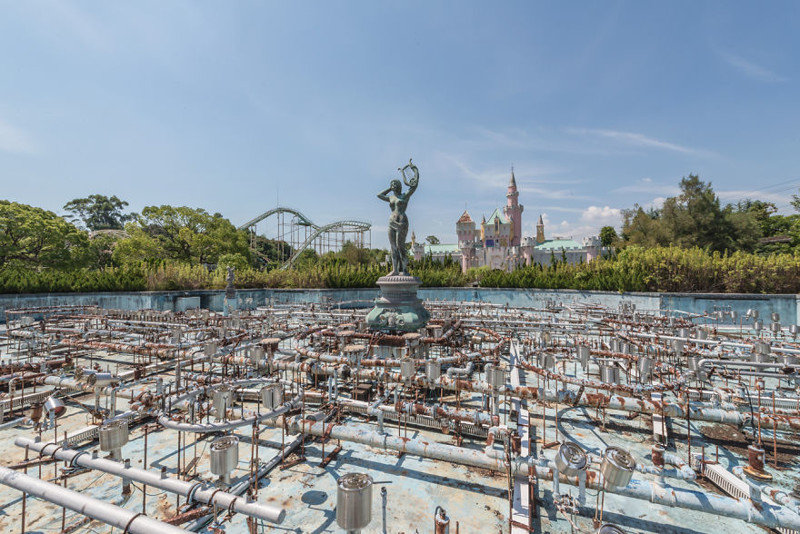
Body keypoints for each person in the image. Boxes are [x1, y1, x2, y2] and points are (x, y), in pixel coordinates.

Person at [377, 159, 419, 275]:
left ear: (399, 186)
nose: (393, 185)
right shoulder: (390, 198)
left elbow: (414, 187)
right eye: (392, 184)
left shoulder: (404, 196)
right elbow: (379, 195)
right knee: (393, 247)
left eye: (395, 184)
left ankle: (404, 270)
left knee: (400, 247)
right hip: (391, 223)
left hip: (402, 223)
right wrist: (390, 188)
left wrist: (414, 170)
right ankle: (395, 270)